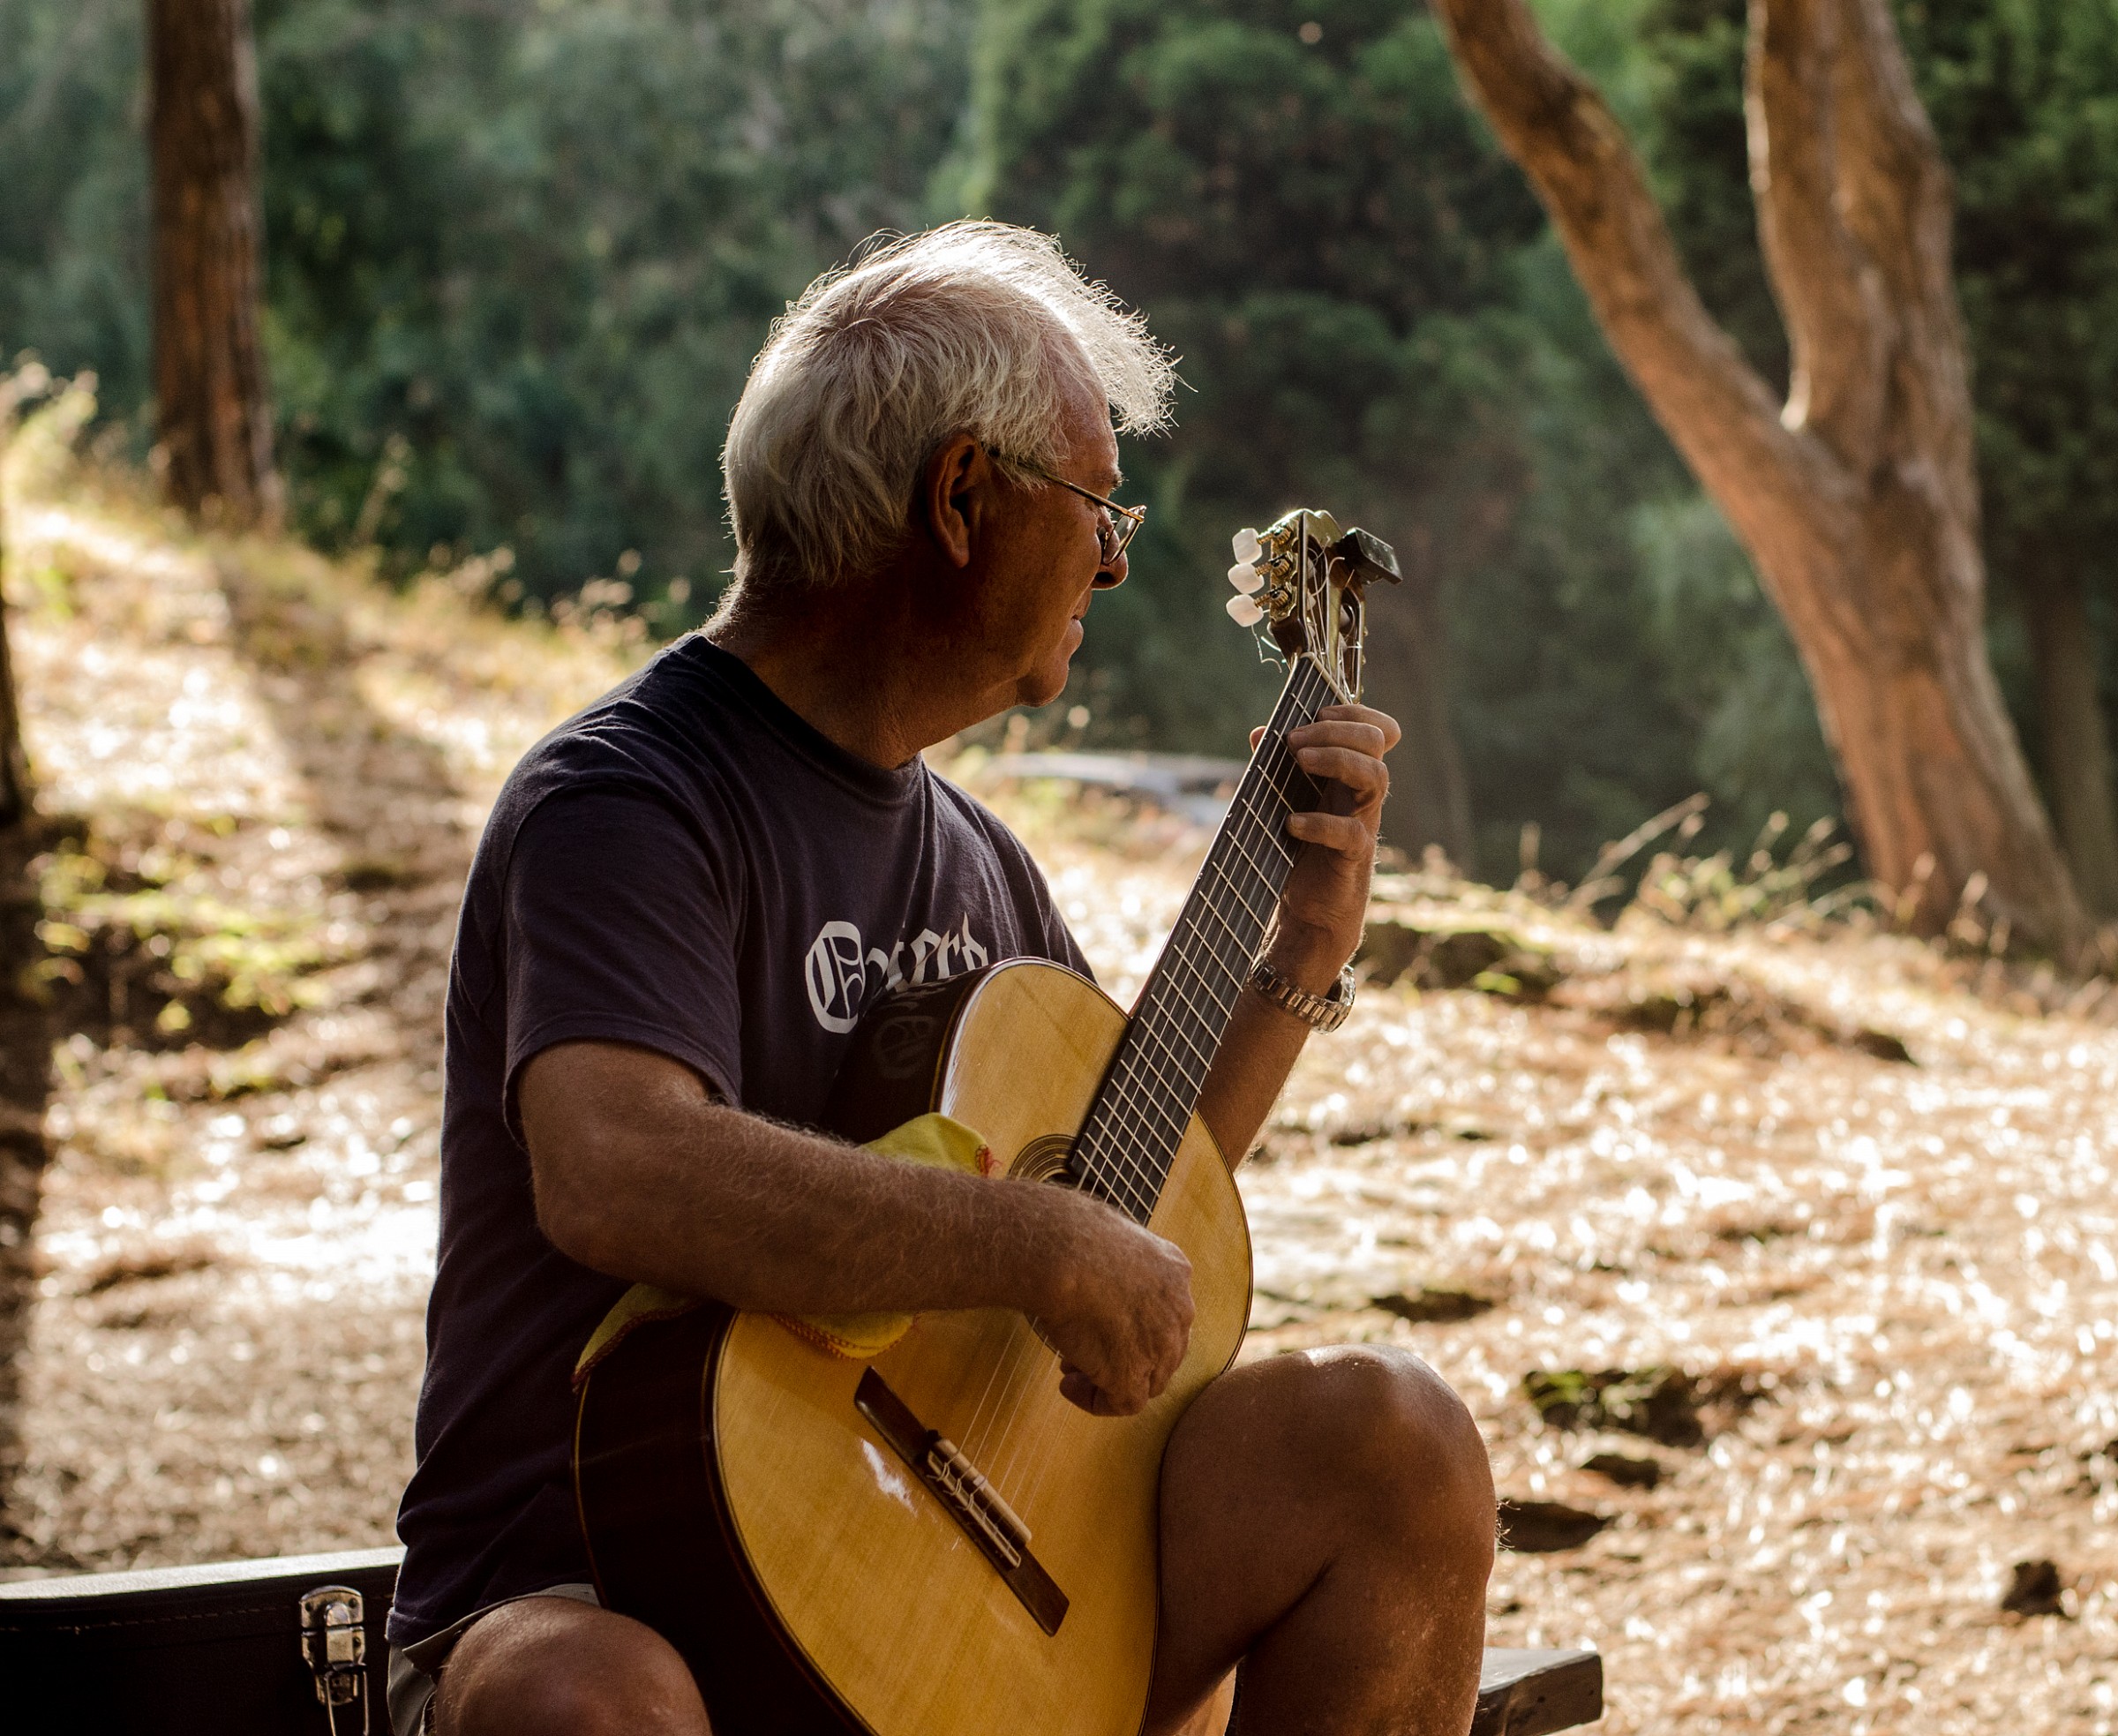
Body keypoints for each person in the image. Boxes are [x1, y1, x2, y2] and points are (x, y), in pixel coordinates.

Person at [385, 222, 1494, 1736]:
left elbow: (1128, 1215)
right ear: (962, 498)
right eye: (1101, 506)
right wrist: (1030, 1245)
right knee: (592, 1701)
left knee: (1396, 1441)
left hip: (939, 1567)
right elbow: (616, 1168)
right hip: (600, 1576)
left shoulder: (980, 862)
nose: (1115, 555)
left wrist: (1302, 954)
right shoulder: (625, 803)